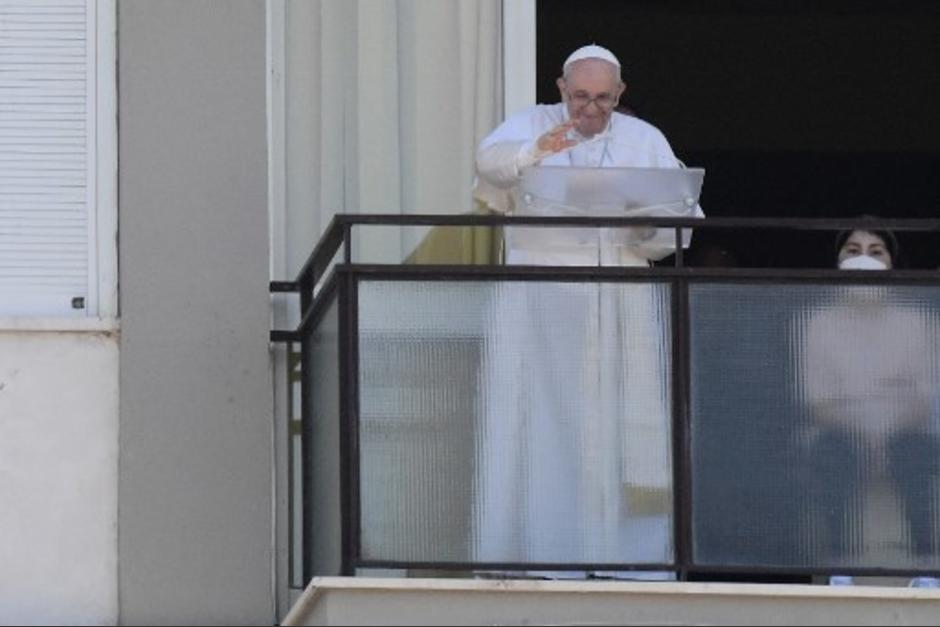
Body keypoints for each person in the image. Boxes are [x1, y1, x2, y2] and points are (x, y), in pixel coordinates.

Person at [469, 44, 701, 578]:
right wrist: (543, 147)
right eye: (580, 97)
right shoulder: (533, 123)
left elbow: (683, 216)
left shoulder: (645, 139)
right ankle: (539, 555)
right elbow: (490, 164)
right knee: (543, 427)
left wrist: (644, 224)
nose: (591, 110)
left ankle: (623, 561)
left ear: (620, 94)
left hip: (619, 293)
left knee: (616, 428)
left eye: (602, 98)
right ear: (561, 89)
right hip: (543, 296)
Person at [796, 227, 940, 584]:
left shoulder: (915, 323)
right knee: (831, 451)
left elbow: (923, 399)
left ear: (891, 262)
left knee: (914, 451)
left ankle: (927, 568)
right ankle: (839, 566)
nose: (864, 258)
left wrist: (886, 436)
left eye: (876, 251)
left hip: (904, 431)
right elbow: (820, 403)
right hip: (843, 431)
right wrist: (864, 438)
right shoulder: (820, 324)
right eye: (853, 250)